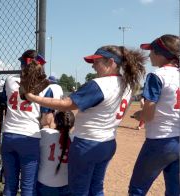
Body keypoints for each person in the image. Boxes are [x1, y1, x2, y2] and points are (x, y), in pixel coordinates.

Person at [25, 45, 146, 195]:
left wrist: (32, 97)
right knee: (96, 188)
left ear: (111, 62)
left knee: (78, 190)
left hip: (87, 144)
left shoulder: (99, 85)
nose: (93, 66)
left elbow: (67, 104)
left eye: (97, 61)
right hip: (108, 143)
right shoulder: (127, 84)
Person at [129, 34, 180, 196]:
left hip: (160, 141)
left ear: (161, 54)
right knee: (174, 190)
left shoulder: (157, 75)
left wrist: (140, 115)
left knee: (137, 189)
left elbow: (148, 115)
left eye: (151, 51)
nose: (149, 55)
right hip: (178, 140)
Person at [1, 50, 49, 195]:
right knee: (28, 186)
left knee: (10, 184)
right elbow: (46, 118)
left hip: (9, 135)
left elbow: (5, 100)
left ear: (22, 64)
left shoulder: (9, 80)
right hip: (29, 137)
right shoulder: (44, 85)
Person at [37, 111, 75, 196]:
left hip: (44, 184)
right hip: (65, 185)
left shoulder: (44, 133)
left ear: (56, 121)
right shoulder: (74, 139)